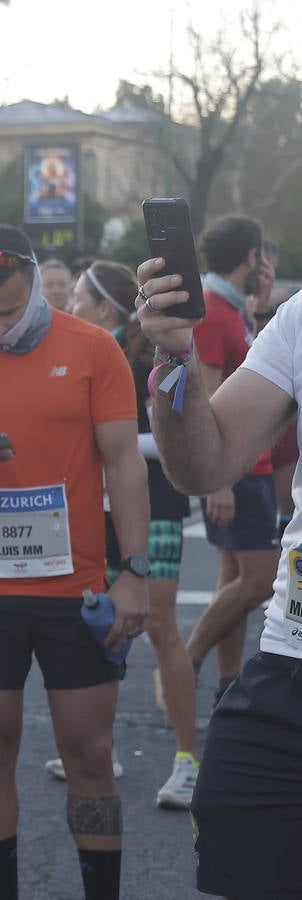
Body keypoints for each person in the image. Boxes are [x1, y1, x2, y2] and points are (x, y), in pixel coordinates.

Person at [0, 225, 149, 900]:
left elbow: (125, 463)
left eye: (10, 312)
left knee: (90, 753)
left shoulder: (93, 348)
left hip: (76, 590)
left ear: (37, 283)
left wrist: (136, 572)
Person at [136, 251, 302, 899]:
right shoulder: (299, 320)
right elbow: (202, 465)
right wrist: (176, 358)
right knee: (235, 829)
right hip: (289, 665)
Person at [64, 260, 198, 810]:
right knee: (103, 628)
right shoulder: (82, 356)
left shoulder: (154, 355)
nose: (70, 306)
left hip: (157, 505)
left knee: (161, 626)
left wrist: (117, 443)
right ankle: (102, 750)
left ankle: (188, 760)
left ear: (103, 307)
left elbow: (180, 431)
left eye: (78, 297)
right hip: (96, 510)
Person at [177, 217, 277, 704]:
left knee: (230, 582)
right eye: (263, 256)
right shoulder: (215, 313)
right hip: (239, 472)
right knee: (258, 581)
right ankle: (185, 663)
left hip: (245, 467)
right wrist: (218, 482)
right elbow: (209, 402)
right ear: (251, 257)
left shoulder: (231, 308)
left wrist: (260, 311)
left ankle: (226, 686)